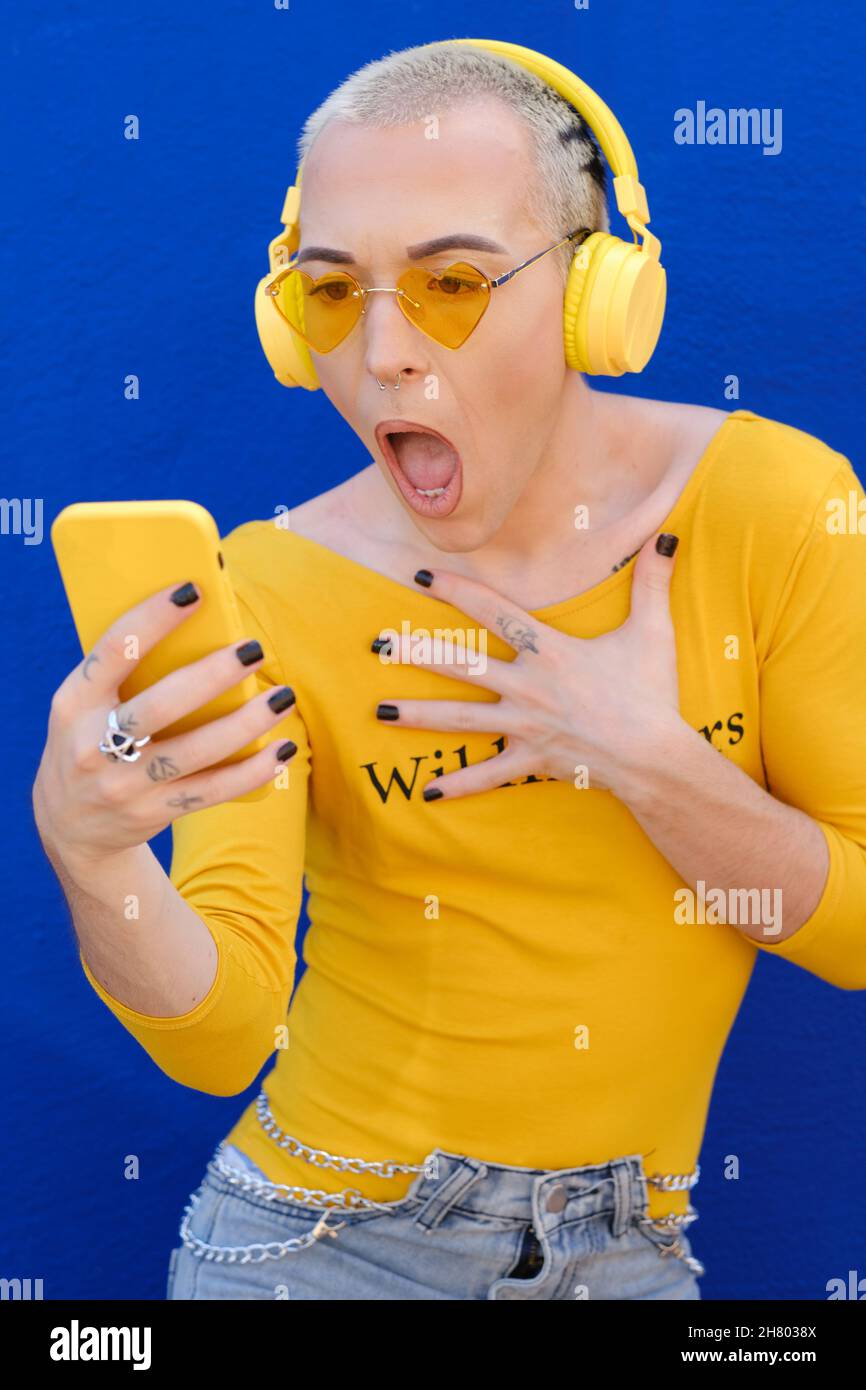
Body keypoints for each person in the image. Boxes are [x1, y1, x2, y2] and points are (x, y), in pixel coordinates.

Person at [33, 40, 866, 1302]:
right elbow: (221, 1034)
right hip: (310, 1246)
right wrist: (93, 861)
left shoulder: (777, 509)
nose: (382, 359)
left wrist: (642, 759)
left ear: (598, 294)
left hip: (627, 1253)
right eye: (329, 294)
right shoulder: (271, 581)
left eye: (455, 281)